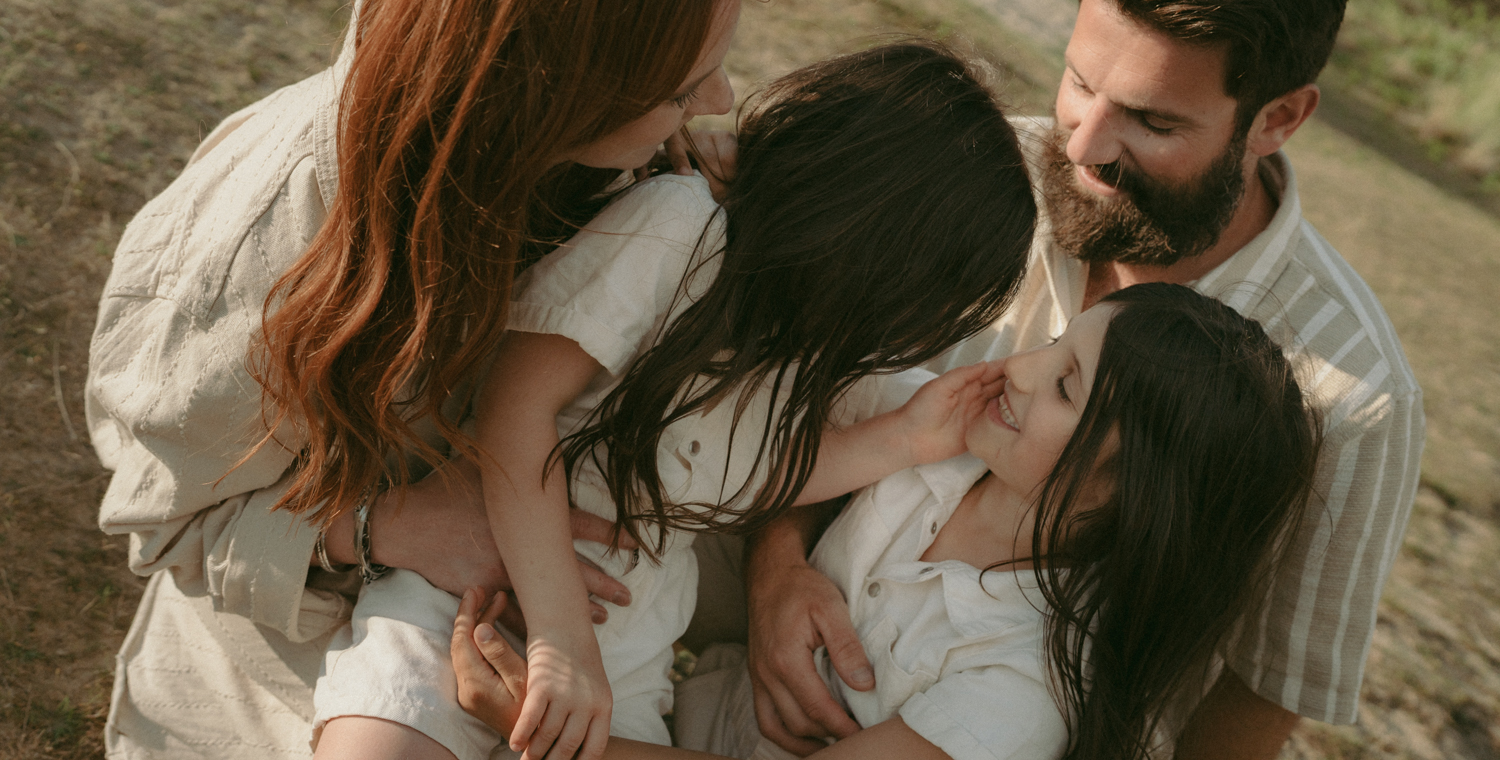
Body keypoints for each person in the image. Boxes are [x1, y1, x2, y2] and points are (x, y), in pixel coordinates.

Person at [83, 0, 776, 760]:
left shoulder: (587, 157)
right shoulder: (269, 231)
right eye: (681, 83)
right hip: (314, 669)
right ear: (550, 86)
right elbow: (166, 522)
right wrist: (388, 524)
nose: (716, 100)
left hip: (523, 602)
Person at [739, 0, 1424, 760]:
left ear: (1278, 118)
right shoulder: (987, 174)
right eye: (1078, 82)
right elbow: (802, 378)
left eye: (1152, 121)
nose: (1083, 146)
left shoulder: (1357, 396)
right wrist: (774, 573)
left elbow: (1260, 695)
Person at [311, 43, 1039, 760]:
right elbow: (514, 409)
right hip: (478, 586)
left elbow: (749, 471)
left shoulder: (815, 350)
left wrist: (906, 438)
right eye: (918, 308)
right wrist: (560, 642)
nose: (907, 336)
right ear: (868, 250)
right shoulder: (676, 228)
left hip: (627, 639)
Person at [452, 283, 1322, 760]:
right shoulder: (955, 440)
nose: (1017, 370)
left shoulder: (1022, 690)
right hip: (682, 710)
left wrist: (559, 734)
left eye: (1064, 385)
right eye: (1054, 346)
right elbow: (788, 439)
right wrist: (782, 564)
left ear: (1127, 501)